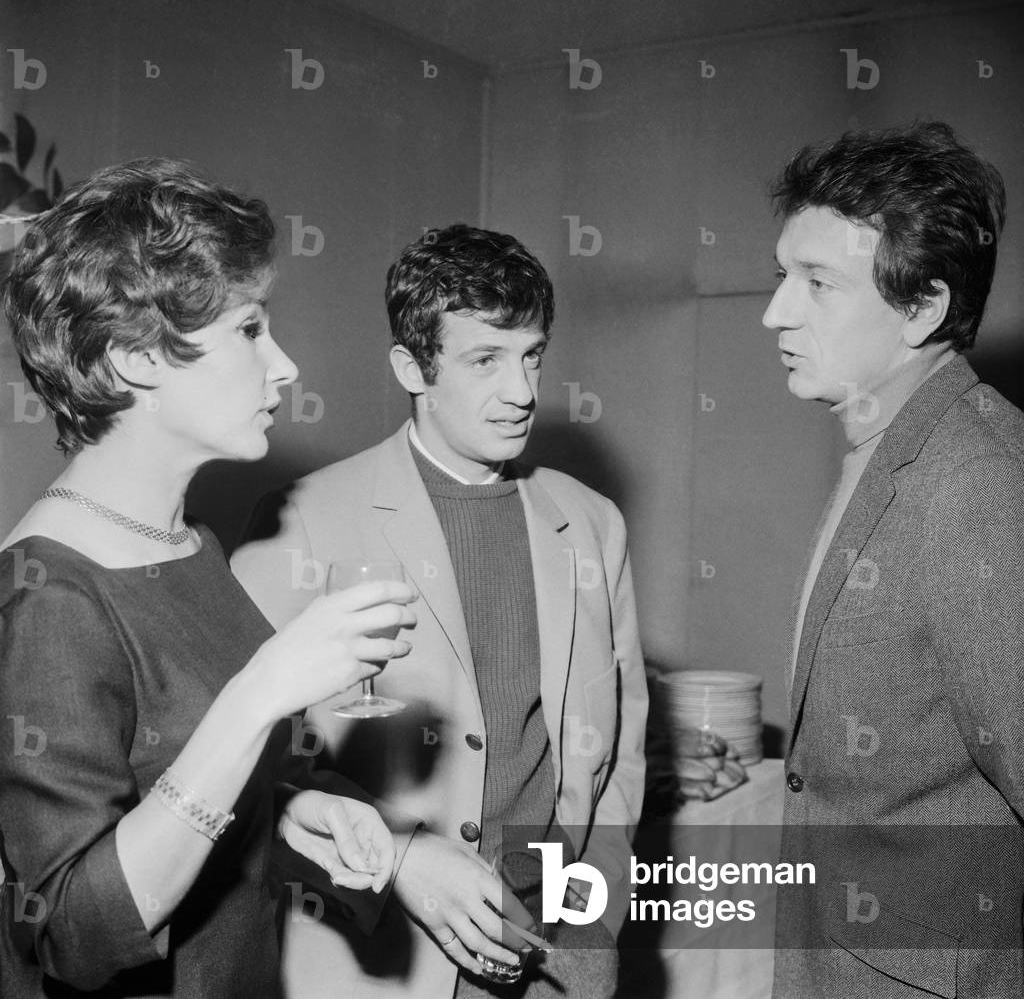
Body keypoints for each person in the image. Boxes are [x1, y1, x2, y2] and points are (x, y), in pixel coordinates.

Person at [0, 158, 419, 998]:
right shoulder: (48, 597)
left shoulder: (191, 543)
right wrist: (261, 690)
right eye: (250, 330)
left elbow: (178, 782)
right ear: (135, 358)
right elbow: (75, 934)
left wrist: (294, 811)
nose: (286, 364)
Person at [232, 224, 648, 998]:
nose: (522, 390)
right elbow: (238, 767)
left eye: (532, 356)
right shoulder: (301, 517)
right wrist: (398, 858)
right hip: (381, 959)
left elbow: (619, 750)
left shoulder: (592, 522)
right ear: (410, 367)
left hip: (558, 959)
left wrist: (591, 925)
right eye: (485, 360)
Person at [763, 122, 1024, 997]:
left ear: (923, 308)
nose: (774, 312)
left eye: (818, 284)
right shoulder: (885, 442)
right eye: (780, 275)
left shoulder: (977, 484)